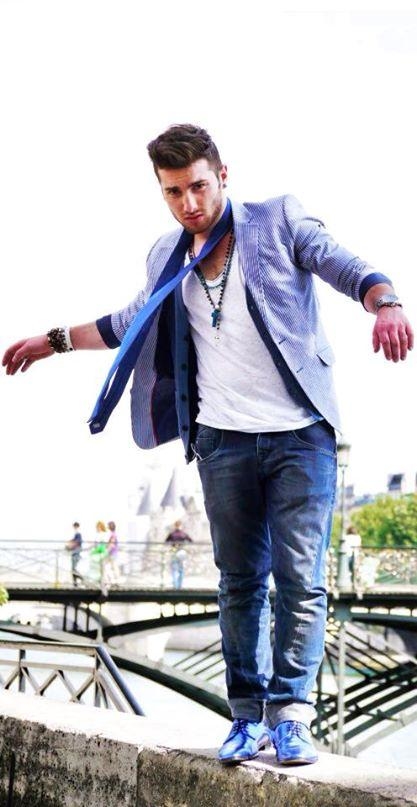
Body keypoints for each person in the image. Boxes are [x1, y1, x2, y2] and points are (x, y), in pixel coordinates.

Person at [2, 124, 413, 767]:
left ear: (223, 175)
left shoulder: (276, 222)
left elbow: (343, 265)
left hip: (300, 435)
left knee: (300, 582)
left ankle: (292, 716)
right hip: (222, 442)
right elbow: (128, 321)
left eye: (198, 186)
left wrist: (384, 302)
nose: (189, 203)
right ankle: (246, 717)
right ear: (161, 192)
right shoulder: (167, 255)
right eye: (173, 192)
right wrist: (54, 341)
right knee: (239, 584)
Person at [165, 520, 193, 589]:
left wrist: (172, 545)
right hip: (181, 552)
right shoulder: (183, 534)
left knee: (174, 569)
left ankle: (175, 586)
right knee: (181, 569)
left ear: (175, 526)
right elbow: (190, 541)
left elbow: (166, 541)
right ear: (181, 526)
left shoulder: (172, 534)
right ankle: (179, 586)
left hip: (174, 551)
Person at [65, 521, 82, 586]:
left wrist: (69, 547)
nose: (75, 528)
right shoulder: (76, 534)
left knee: (73, 568)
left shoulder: (78, 534)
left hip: (76, 552)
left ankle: (81, 578)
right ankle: (75, 583)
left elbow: (77, 543)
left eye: (75, 527)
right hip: (74, 552)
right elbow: (74, 541)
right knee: (73, 568)